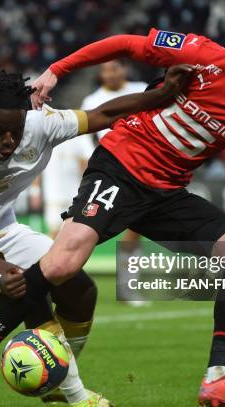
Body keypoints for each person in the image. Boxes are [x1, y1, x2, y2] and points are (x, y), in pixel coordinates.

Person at [0, 20, 225, 407]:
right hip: (120, 164)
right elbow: (125, 43)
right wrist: (56, 71)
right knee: (63, 263)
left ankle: (219, 376)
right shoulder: (200, 54)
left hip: (167, 193)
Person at [0, 68, 193, 404]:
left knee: (81, 289)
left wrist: (162, 95)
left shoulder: (39, 125)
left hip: (2, 229)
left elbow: (105, 114)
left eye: (15, 131)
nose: (8, 142)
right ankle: (76, 396)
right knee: (29, 290)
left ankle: (44, 375)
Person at [78, 60, 150, 307]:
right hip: (109, 173)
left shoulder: (142, 89)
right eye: (105, 70)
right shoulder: (91, 101)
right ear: (100, 74)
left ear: (125, 69)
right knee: (85, 230)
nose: (110, 73)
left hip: (143, 170)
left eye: (115, 68)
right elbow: (89, 141)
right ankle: (69, 284)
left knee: (134, 231)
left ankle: (128, 287)